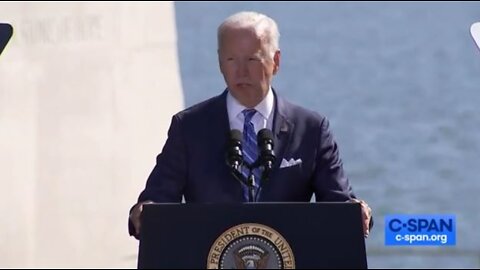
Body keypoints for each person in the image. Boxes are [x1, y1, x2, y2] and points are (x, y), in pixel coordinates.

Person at [129, 11, 372, 239]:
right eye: (231, 59)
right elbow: (156, 202)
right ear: (220, 62)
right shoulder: (189, 128)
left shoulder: (311, 129)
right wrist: (143, 213)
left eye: (252, 60)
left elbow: (340, 205)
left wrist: (358, 213)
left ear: (275, 61)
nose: (241, 71)